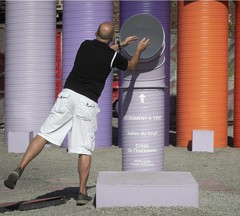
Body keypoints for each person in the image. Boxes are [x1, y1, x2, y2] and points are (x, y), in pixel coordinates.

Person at [4, 21, 149, 206]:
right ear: (112, 38)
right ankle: (81, 193)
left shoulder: (85, 45)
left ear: (96, 33)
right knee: (84, 148)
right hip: (86, 102)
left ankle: (19, 168)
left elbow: (103, 50)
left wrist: (121, 45)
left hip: (67, 95)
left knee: (44, 134)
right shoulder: (112, 56)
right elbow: (131, 66)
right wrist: (138, 49)